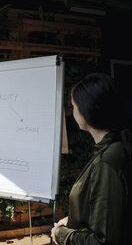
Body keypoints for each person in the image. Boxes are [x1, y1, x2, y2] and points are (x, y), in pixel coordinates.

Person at [50, 73, 132, 244]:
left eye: (73, 106)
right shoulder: (112, 148)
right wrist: (72, 220)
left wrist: (62, 235)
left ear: (87, 109)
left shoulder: (107, 161)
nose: (71, 112)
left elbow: (104, 240)